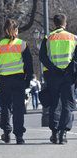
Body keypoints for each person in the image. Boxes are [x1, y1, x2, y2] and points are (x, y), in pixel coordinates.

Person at [0, 19, 33, 144]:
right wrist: (28, 80)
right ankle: (19, 137)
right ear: (16, 30)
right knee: (18, 108)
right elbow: (29, 65)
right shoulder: (22, 44)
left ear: (5, 30)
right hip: (19, 80)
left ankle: (7, 133)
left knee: (5, 107)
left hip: (4, 81)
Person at [39, 14, 77, 144]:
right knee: (67, 105)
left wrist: (53, 69)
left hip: (53, 76)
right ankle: (63, 134)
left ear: (54, 24)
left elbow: (42, 57)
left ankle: (54, 134)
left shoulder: (47, 38)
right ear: (65, 23)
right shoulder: (73, 38)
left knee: (54, 103)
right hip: (68, 76)